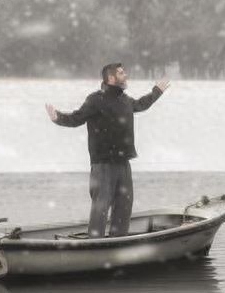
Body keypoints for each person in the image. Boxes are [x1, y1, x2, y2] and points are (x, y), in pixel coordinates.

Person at [45, 63, 170, 238]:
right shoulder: (96, 100)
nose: (125, 75)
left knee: (124, 205)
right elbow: (76, 118)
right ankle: (94, 243)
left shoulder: (124, 100)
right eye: (121, 73)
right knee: (100, 207)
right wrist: (58, 117)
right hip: (103, 165)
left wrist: (157, 91)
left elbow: (141, 104)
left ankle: (118, 241)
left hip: (123, 163)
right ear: (111, 78)